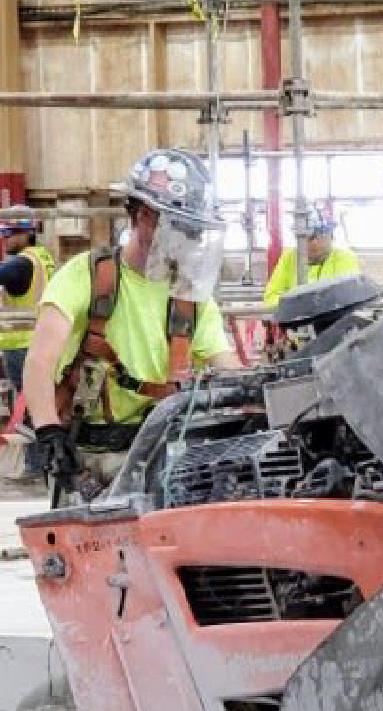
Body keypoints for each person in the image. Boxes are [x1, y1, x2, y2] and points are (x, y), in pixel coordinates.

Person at [24, 149, 239, 496]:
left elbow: (224, 363)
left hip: (162, 454)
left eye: (193, 232)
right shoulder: (88, 276)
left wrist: (254, 393)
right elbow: (39, 361)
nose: (189, 241)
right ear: (143, 216)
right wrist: (48, 430)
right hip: (91, 460)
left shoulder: (189, 296)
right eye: (181, 228)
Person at [0, 211, 55, 476]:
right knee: (44, 405)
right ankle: (45, 463)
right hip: (44, 343)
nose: (3, 240)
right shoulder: (45, 259)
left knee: (32, 410)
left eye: (8, 234)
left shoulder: (23, 263)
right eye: (1, 233)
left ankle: (37, 467)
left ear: (26, 233)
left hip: (23, 346)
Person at [263, 204, 360, 308]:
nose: (314, 243)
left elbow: (348, 297)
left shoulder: (344, 257)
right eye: (309, 237)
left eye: (321, 235)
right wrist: (296, 306)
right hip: (294, 319)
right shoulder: (289, 257)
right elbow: (271, 297)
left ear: (331, 237)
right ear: (298, 238)